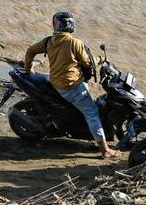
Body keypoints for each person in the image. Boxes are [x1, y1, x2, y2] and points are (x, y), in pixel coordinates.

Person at [23, 12, 118, 158]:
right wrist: (100, 59)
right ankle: (105, 150)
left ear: (56, 24)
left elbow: (30, 51)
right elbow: (88, 62)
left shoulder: (49, 41)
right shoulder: (75, 43)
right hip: (71, 87)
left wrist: (29, 68)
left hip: (56, 82)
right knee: (92, 113)